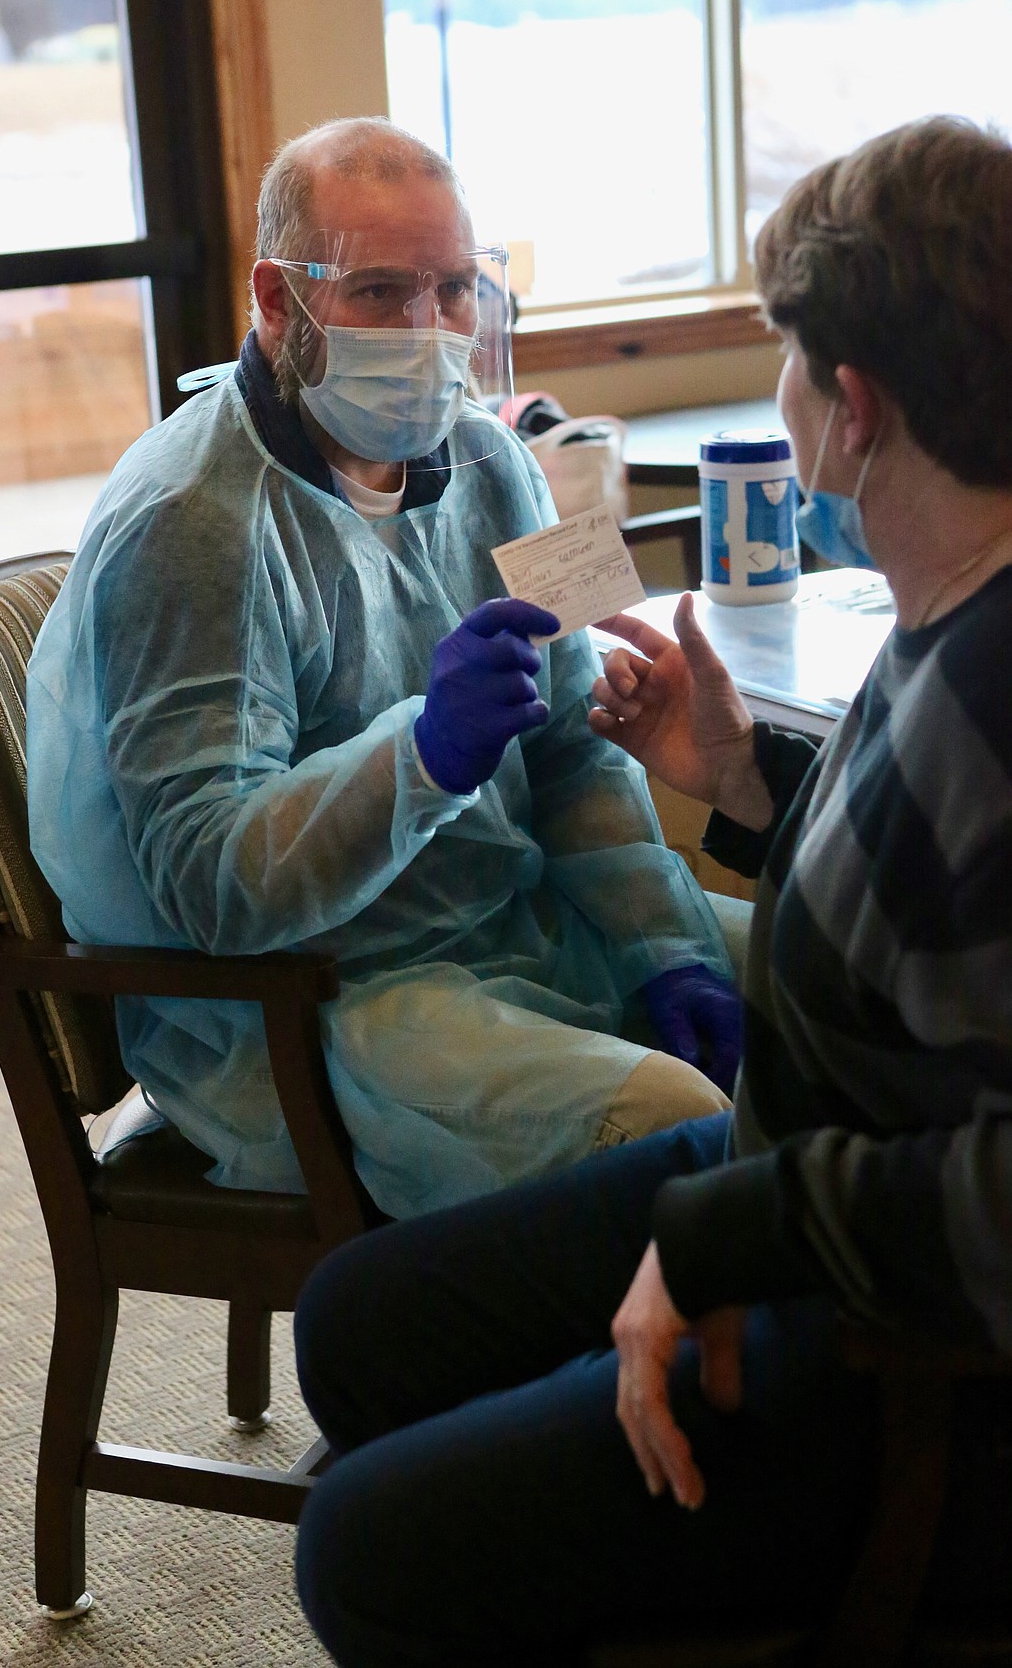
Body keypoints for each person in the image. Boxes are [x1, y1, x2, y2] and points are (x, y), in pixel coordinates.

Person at [292, 115, 1012, 1664]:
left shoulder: (994, 677)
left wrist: (727, 1237)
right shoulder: (948, 596)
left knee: (362, 1546)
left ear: (855, 408)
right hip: (808, 1172)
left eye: (788, 353)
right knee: (357, 1323)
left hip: (916, 1346)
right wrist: (747, 779)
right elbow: (936, 873)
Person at [26, 116, 740, 1221]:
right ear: (277, 299)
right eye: (377, 294)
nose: (428, 331)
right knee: (680, 1131)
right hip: (328, 1004)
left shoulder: (495, 461)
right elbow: (209, 883)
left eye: (453, 289)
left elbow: (571, 758)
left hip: (516, 922)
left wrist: (664, 945)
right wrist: (422, 755)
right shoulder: (194, 523)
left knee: (871, 976)